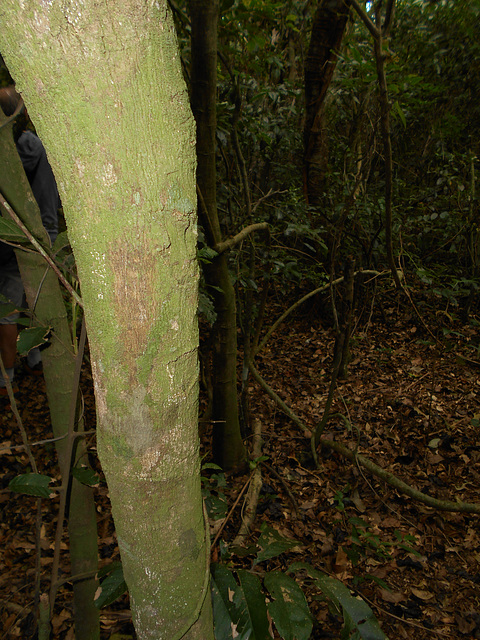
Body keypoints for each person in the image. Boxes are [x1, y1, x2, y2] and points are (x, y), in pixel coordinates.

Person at [0, 86, 60, 398]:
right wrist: (48, 239)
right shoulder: (34, 147)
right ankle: (15, 370)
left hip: (10, 240)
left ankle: (13, 371)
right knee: (17, 303)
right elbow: (47, 199)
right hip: (23, 241)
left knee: (11, 306)